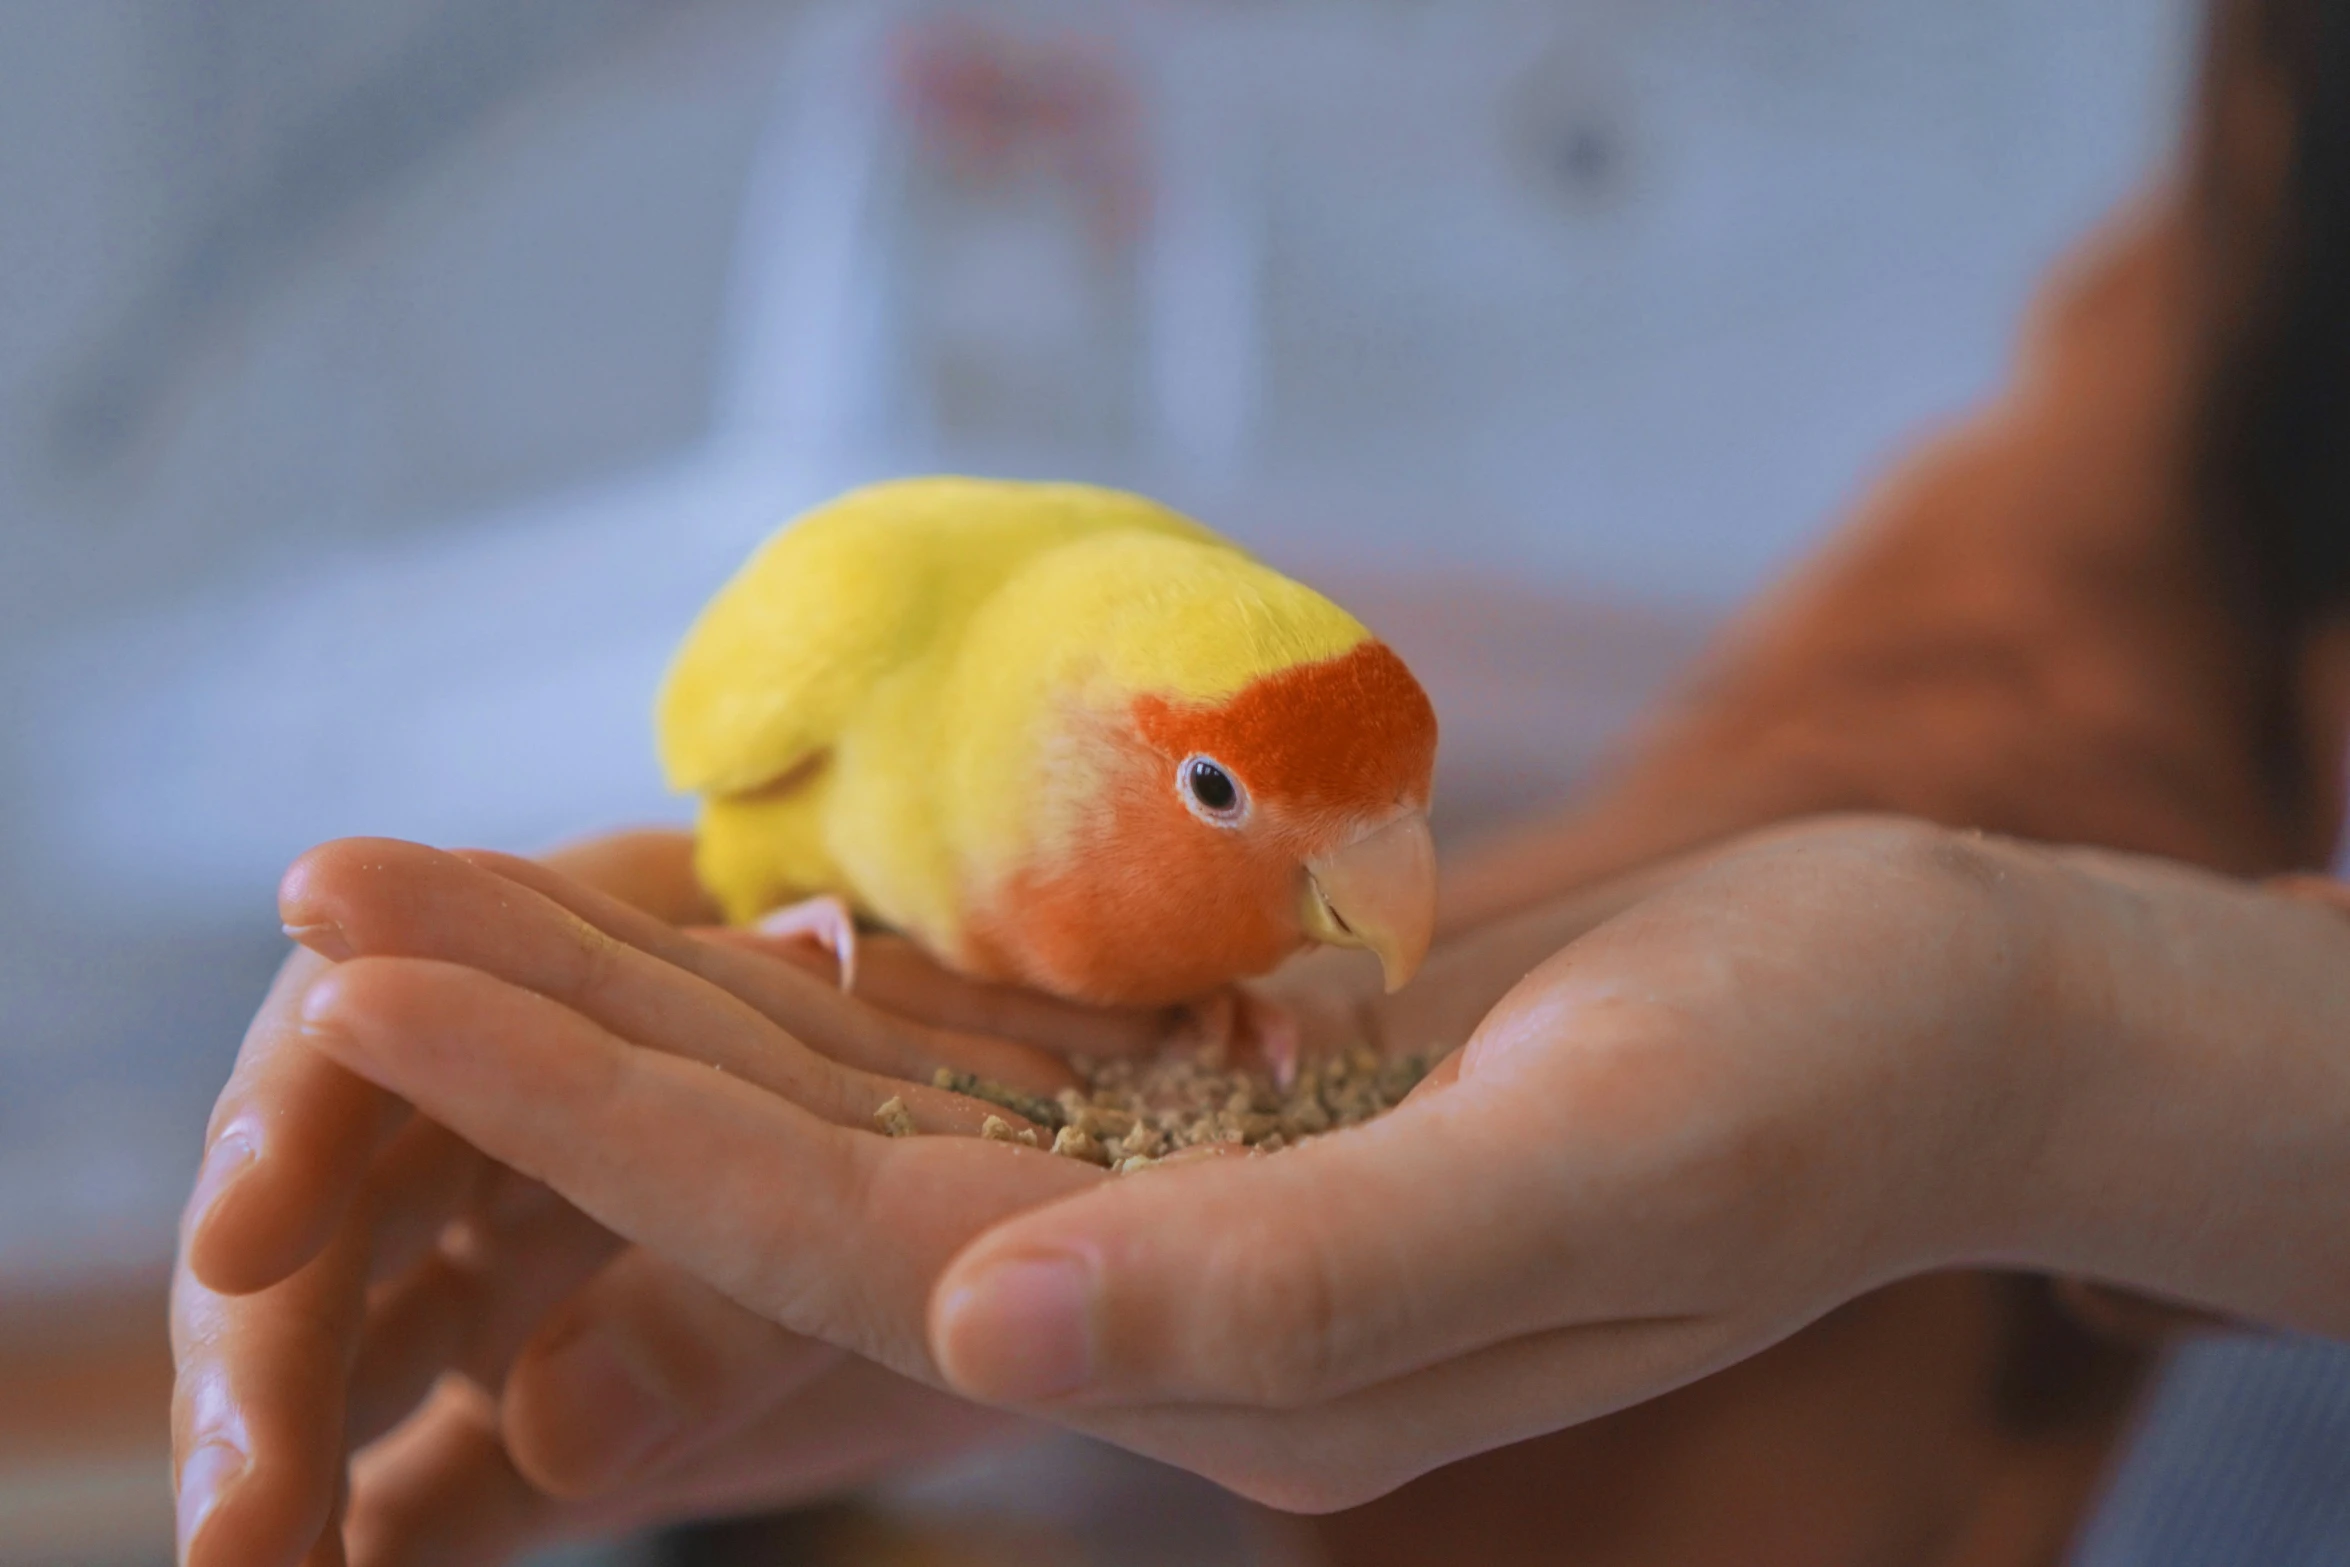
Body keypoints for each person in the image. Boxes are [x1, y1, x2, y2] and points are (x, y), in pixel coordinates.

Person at [169, 0, 2350, 1562]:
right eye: (1232, 809)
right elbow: (2097, 627)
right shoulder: (879, 623)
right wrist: (1674, 957)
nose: (1369, 901)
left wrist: (2092, 1050)